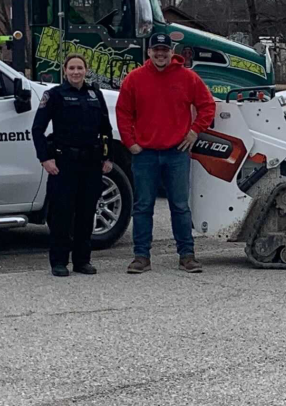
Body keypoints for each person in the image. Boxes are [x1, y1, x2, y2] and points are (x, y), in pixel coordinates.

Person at [116, 33, 216, 274]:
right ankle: (141, 256)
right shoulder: (134, 79)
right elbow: (123, 112)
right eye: (156, 50)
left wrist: (194, 132)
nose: (160, 54)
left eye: (165, 50)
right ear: (148, 52)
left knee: (180, 206)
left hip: (176, 153)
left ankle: (187, 255)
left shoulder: (188, 78)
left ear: (172, 52)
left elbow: (207, 105)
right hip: (145, 154)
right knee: (143, 207)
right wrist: (130, 143)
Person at [32, 54, 113, 277]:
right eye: (72, 68)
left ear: (86, 70)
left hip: (91, 163)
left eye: (80, 68)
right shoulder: (55, 95)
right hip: (64, 163)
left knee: (87, 214)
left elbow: (106, 129)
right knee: (62, 214)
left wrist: (108, 158)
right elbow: (37, 129)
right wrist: (45, 159)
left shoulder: (95, 94)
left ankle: (82, 261)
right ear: (65, 71)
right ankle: (59, 262)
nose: (76, 72)